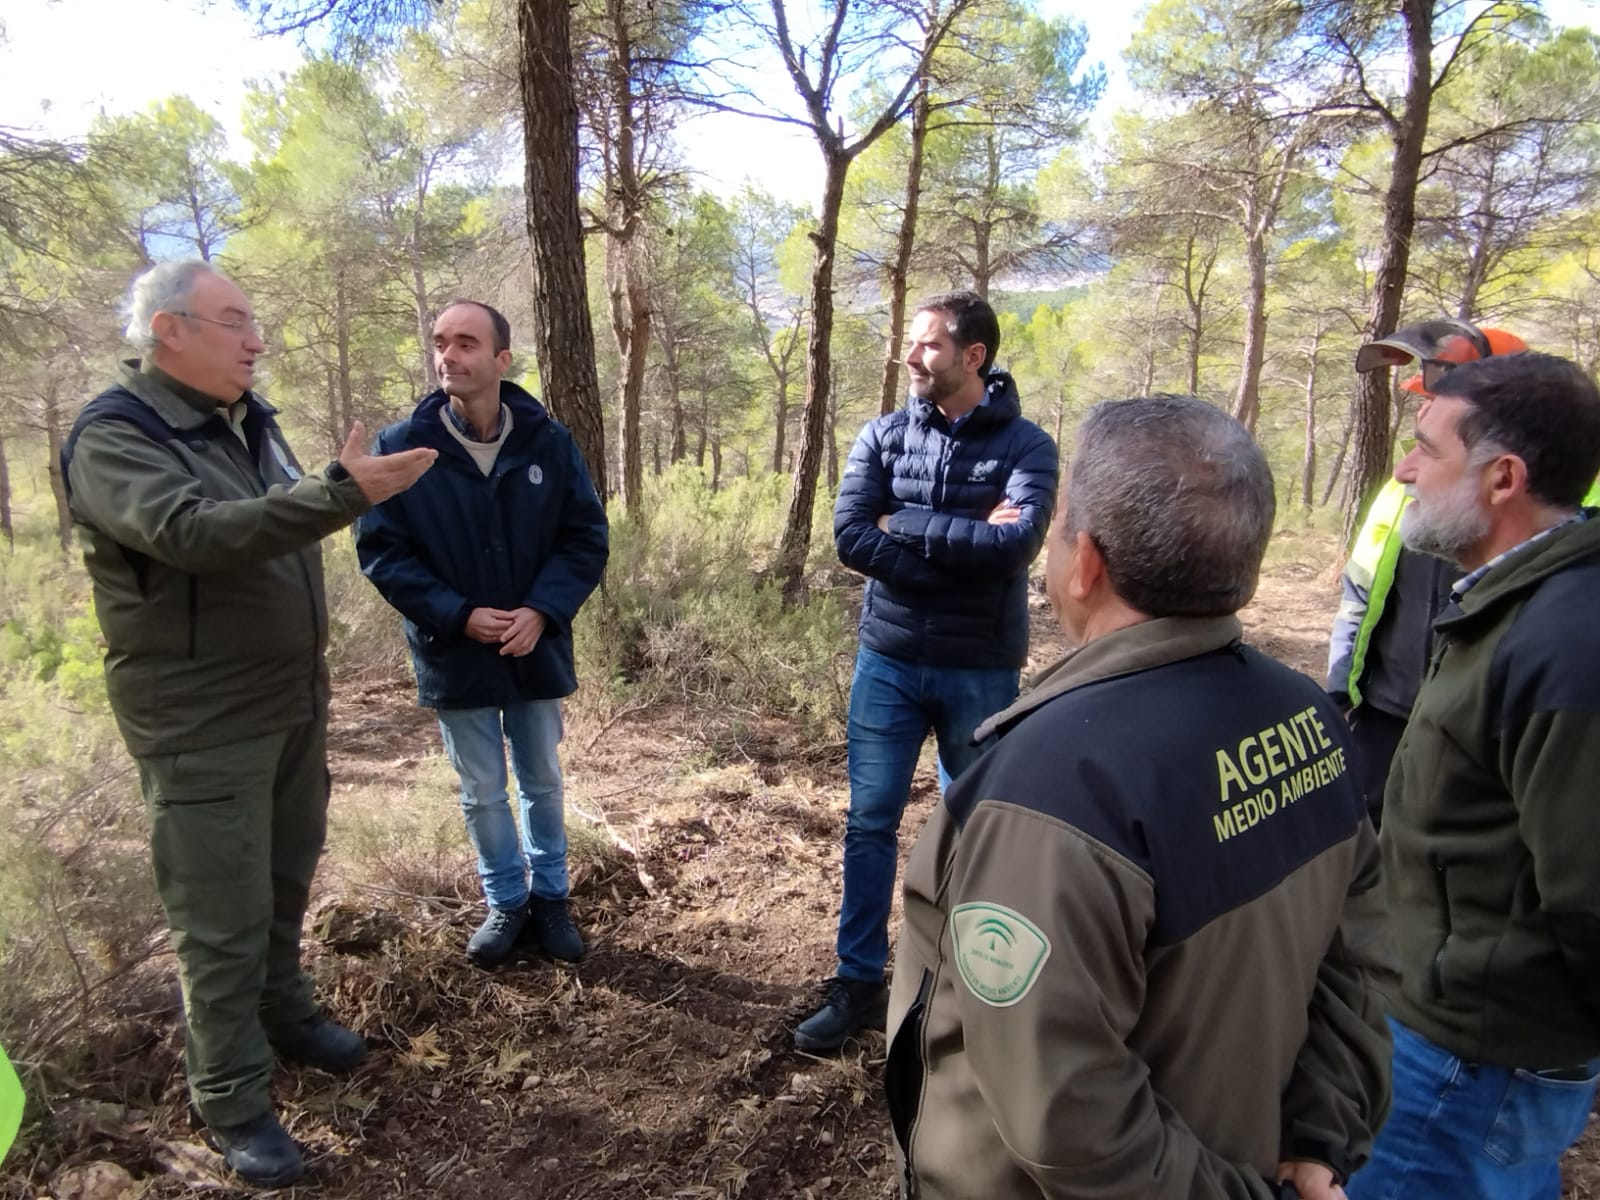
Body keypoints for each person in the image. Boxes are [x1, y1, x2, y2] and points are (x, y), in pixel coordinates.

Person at [886, 396, 1392, 1200]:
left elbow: (1066, 1114)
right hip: (1242, 1157)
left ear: (1085, 562)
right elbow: (1360, 957)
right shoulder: (1308, 716)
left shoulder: (1052, 791)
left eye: (1057, 525)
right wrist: (1320, 1132)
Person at [61, 261, 437, 1188]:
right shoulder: (116, 434)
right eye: (233, 321)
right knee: (219, 918)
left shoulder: (246, 421)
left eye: (254, 322)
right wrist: (341, 491)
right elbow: (193, 534)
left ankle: (286, 1014)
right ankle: (231, 1098)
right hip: (202, 718)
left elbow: (269, 521)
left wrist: (333, 488)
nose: (255, 339)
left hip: (289, 700)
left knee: (281, 877)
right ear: (168, 330)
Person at [1346, 353, 1600, 1200]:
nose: (1404, 471)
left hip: (1473, 1062)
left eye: (1427, 450)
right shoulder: (1519, 601)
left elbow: (1589, 894)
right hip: (1463, 1039)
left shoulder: (1567, 640)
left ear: (1503, 478)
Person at [795, 290, 1058, 1053]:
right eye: (911, 342)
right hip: (889, 660)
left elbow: (1015, 546)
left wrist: (904, 525)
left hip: (980, 668)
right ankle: (857, 982)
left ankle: (965, 987)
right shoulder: (883, 435)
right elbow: (851, 535)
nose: (910, 355)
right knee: (869, 823)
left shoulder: (1028, 447)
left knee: (977, 827)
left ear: (973, 356)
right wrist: (961, 551)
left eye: (929, 344)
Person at [354, 300, 608, 971]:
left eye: (466, 343)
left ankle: (551, 898)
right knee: (482, 789)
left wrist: (542, 611)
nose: (449, 355)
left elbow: (584, 537)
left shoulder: (547, 442)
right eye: (440, 342)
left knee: (541, 777)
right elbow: (383, 552)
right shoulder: (400, 446)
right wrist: (458, 614)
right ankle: (506, 902)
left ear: (501, 359)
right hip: (453, 649)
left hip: (534, 644)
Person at [1328, 320, 1528, 824]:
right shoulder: (1404, 487)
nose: (1425, 412)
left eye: (1441, 399)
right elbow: (1360, 592)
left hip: (1480, 730)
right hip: (1386, 711)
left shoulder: (1566, 503)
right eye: (1424, 399)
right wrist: (1340, 689)